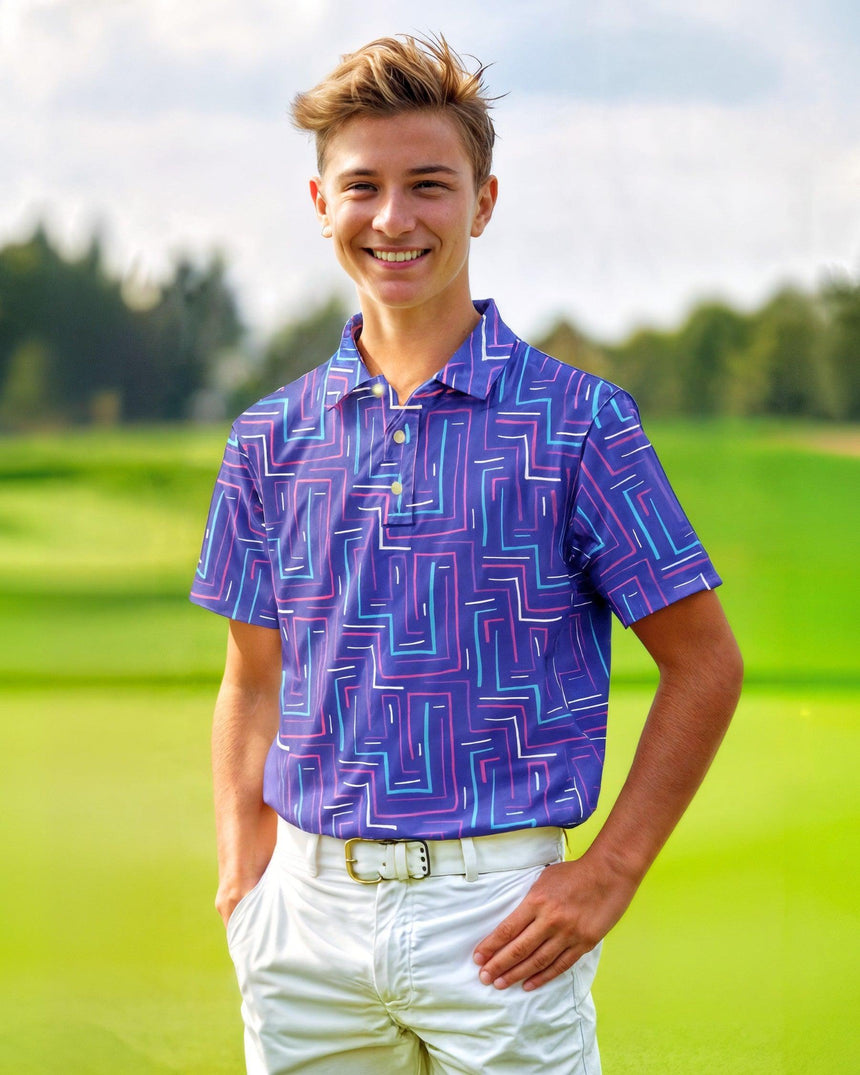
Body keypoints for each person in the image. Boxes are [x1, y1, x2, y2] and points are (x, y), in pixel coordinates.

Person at [190, 33, 743, 1075]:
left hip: (499, 922)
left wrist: (610, 872)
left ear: (482, 202)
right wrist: (241, 872)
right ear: (320, 206)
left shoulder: (579, 424)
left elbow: (703, 662)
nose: (393, 218)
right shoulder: (268, 435)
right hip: (303, 923)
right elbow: (252, 674)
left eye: (428, 186)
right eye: (362, 186)